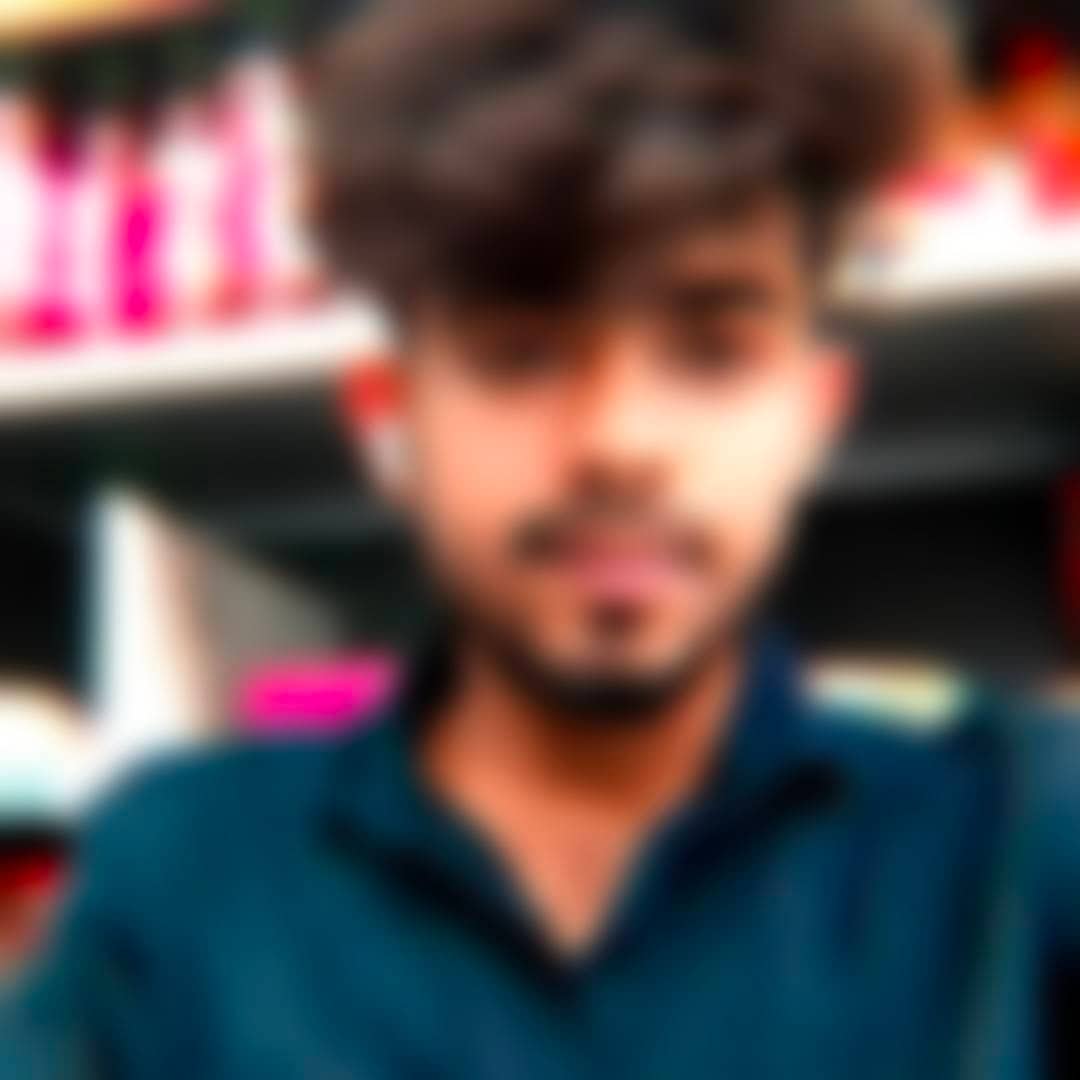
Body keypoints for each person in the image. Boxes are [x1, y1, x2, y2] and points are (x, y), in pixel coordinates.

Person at [5, 1, 1080, 1076]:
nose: (618, 441)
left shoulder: (1016, 851)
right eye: (519, 352)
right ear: (390, 419)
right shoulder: (182, 884)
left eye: (712, 350)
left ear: (815, 412)